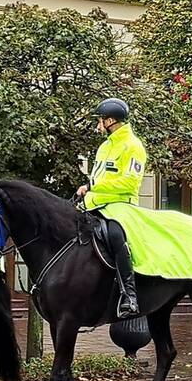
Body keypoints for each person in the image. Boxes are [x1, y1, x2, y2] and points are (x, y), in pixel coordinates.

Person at [76, 98, 147, 318]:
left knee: (116, 235)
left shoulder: (133, 146)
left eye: (99, 120)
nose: (98, 125)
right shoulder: (105, 146)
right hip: (94, 204)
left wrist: (93, 186)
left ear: (110, 120)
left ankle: (129, 295)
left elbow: (130, 183)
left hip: (120, 205)